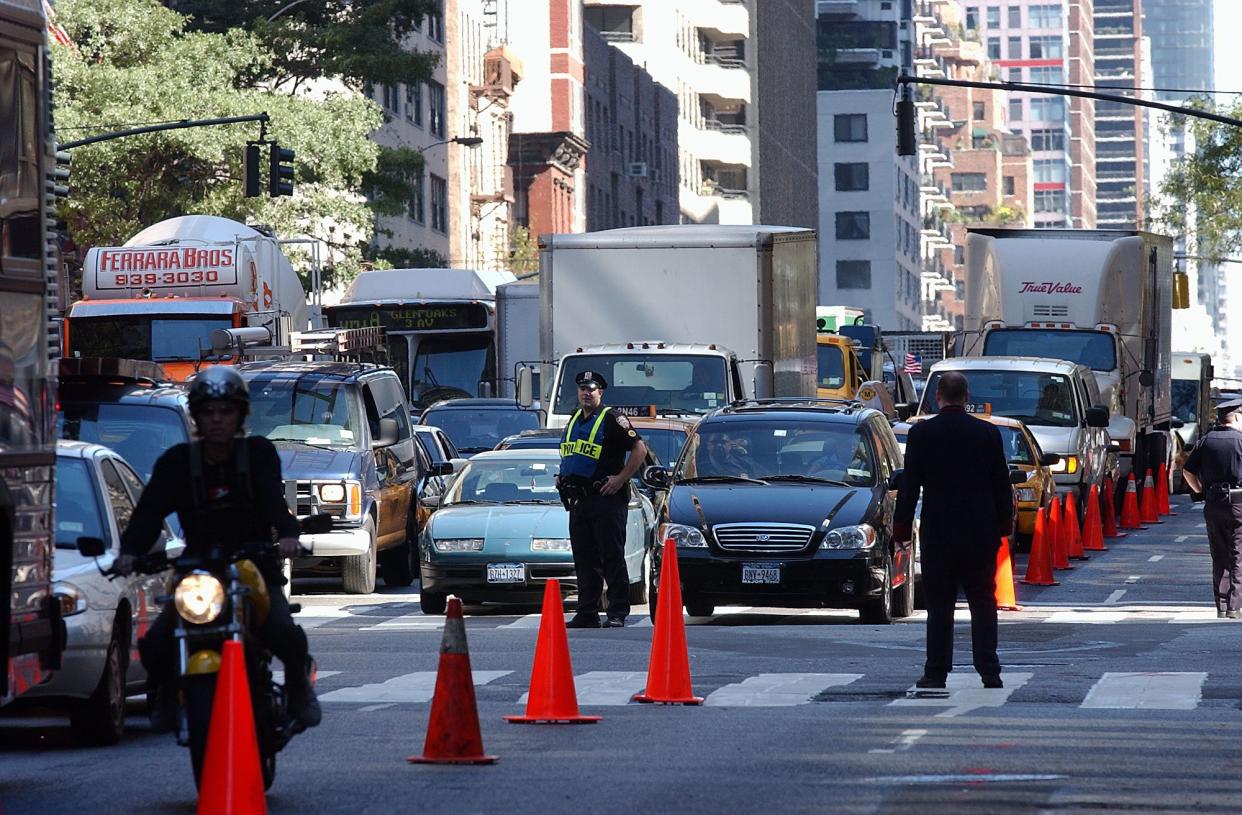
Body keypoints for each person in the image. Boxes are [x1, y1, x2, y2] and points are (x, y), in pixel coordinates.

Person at [114, 366, 321, 730]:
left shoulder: (258, 453)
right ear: (196, 415)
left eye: (225, 410)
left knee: (282, 630)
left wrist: (288, 535)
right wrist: (129, 551)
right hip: (197, 568)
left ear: (240, 414)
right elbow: (148, 514)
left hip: (254, 563)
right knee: (157, 640)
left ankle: (299, 688)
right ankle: (165, 690)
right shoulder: (176, 462)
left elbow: (274, 500)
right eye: (208, 411)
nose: (216, 420)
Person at [894, 371, 1015, 689]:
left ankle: (936, 671)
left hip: (939, 531)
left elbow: (910, 487)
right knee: (983, 602)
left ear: (938, 396)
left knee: (940, 604)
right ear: (966, 397)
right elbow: (1000, 484)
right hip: (980, 530)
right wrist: (1005, 522)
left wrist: (902, 527)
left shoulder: (921, 435)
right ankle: (989, 669)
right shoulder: (987, 434)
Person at [556, 370, 649, 628]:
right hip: (579, 499)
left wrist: (620, 478)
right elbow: (572, 454)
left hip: (606, 498)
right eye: (582, 388)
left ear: (601, 392)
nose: (586, 392)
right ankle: (587, 611)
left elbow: (640, 449)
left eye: (592, 388)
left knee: (611, 556)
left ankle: (617, 611)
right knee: (584, 559)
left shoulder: (613, 418)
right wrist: (562, 476)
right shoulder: (574, 418)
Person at [1181, 398, 1242, 619]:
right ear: (1235, 417)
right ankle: (1235, 606)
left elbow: (1187, 471)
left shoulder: (1205, 441)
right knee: (1238, 554)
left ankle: (1222, 605)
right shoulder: (1240, 441)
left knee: (1219, 555)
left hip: (1213, 503)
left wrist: (1200, 492)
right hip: (1238, 503)